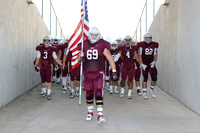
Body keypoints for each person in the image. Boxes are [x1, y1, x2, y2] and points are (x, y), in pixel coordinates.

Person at [77, 27, 117, 124]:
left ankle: (100, 115)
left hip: (99, 73)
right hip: (87, 73)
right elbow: (79, 59)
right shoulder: (84, 44)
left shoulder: (102, 44)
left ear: (98, 35)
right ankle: (90, 112)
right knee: (88, 93)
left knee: (99, 92)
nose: (94, 36)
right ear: (89, 34)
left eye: (95, 35)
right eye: (92, 34)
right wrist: (80, 59)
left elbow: (110, 59)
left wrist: (114, 71)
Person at [35, 35, 62, 100]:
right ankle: (44, 91)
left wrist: (61, 64)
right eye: (45, 40)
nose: (47, 42)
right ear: (43, 41)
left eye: (48, 41)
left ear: (50, 41)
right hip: (42, 66)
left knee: (49, 80)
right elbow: (38, 58)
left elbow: (55, 58)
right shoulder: (40, 48)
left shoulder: (52, 49)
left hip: (49, 66)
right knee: (43, 80)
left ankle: (48, 93)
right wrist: (36, 66)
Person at [137, 32, 159, 99]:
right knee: (145, 77)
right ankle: (144, 92)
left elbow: (155, 54)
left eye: (149, 37)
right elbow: (139, 55)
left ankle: (151, 89)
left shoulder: (154, 44)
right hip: (145, 63)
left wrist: (154, 62)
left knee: (154, 77)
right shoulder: (141, 45)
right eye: (147, 38)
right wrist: (141, 64)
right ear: (144, 38)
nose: (148, 39)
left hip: (151, 62)